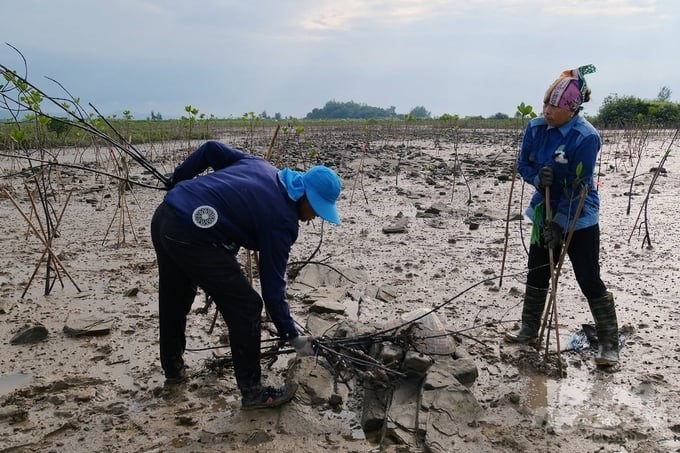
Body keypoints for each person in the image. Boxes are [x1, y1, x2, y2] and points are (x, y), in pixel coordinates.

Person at [150, 140, 342, 408]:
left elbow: (211, 149)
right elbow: (273, 287)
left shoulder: (262, 167)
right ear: (304, 196)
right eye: (316, 210)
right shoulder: (282, 221)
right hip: (190, 234)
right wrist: (292, 335)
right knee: (247, 306)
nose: (313, 218)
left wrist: (178, 180)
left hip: (166, 215)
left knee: (175, 296)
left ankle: (173, 370)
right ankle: (253, 392)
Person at [504, 65, 620, 367]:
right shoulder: (535, 127)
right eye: (545, 103)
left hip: (579, 214)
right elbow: (523, 164)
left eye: (554, 106)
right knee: (537, 272)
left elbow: (579, 186)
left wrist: (561, 223)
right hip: (544, 208)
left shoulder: (586, 137)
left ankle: (610, 344)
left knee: (588, 277)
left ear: (572, 109)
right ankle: (529, 331)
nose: (547, 111)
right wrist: (536, 178)